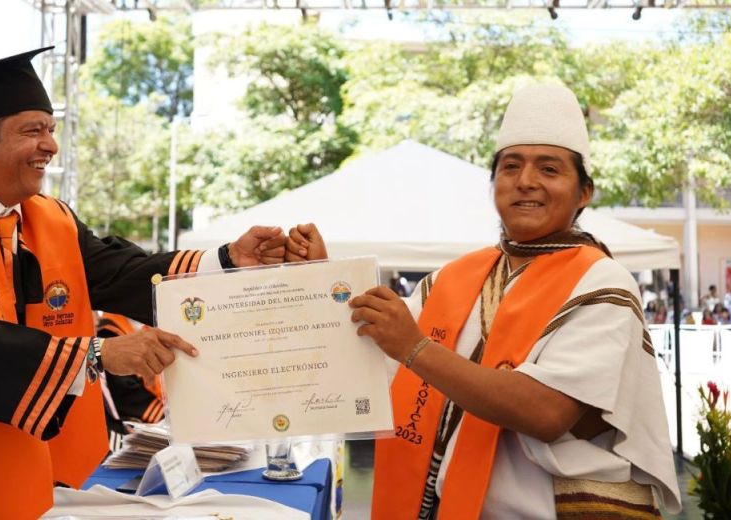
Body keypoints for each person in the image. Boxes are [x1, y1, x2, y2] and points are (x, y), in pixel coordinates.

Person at [0, 47, 286, 519]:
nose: (51, 145)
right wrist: (97, 354)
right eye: (33, 130)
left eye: (51, 129)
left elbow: (122, 272)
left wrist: (229, 258)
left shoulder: (47, 223)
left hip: (15, 476)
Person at [287, 84, 680, 518]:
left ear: (584, 193)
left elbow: (546, 412)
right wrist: (320, 281)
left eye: (549, 169)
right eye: (511, 167)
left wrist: (415, 348)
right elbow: (373, 363)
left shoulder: (602, 281)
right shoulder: (454, 278)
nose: (526, 181)